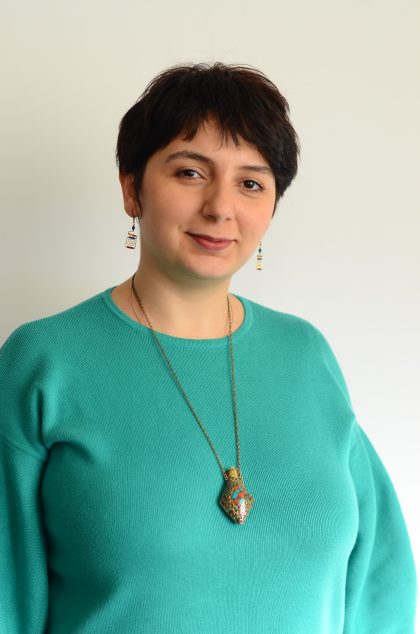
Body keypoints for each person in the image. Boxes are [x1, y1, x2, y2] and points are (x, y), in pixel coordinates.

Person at [0, 61, 417, 633]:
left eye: (251, 183)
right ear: (131, 187)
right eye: (191, 172)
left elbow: (378, 579)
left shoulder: (306, 355)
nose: (221, 207)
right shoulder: (45, 362)